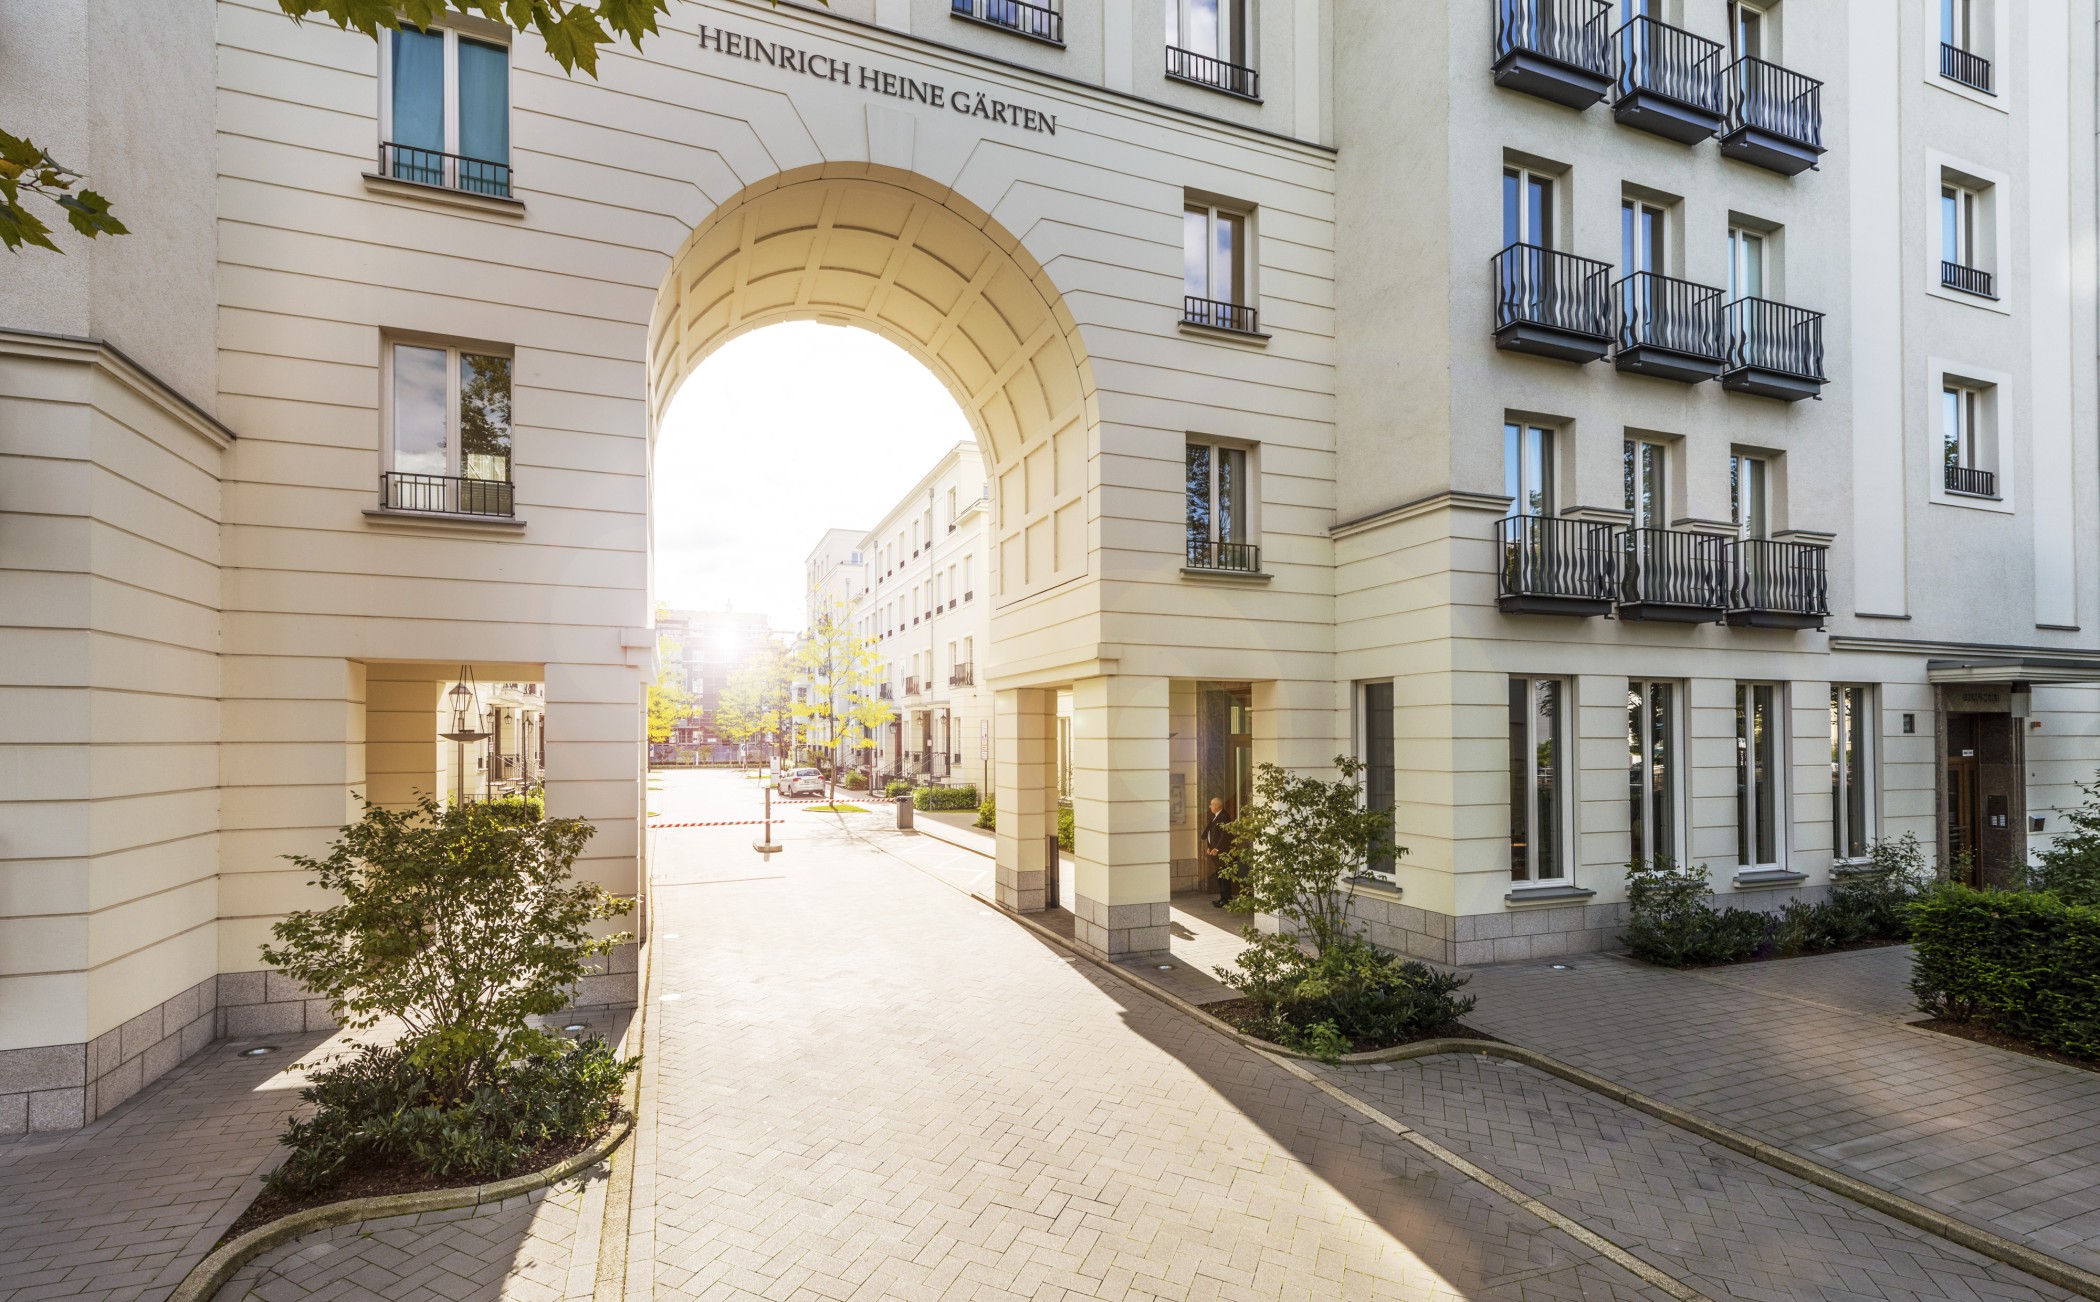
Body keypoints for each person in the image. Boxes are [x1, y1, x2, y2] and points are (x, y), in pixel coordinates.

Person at [1203, 796, 1236, 907]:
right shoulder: (1216, 816)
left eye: (1212, 804)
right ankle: (1224, 898)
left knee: (1224, 876)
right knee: (1220, 875)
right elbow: (1211, 834)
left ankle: (1226, 900)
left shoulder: (1224, 816)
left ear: (1217, 805)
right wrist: (1209, 846)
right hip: (1215, 851)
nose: (1210, 806)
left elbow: (1224, 835)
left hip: (1222, 853)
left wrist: (1217, 848)